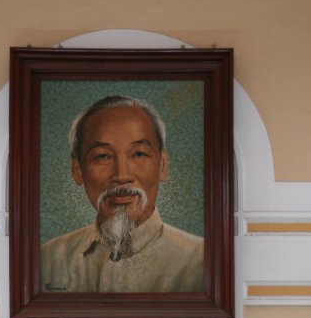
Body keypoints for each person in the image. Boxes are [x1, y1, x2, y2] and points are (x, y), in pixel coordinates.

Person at [40, 95, 204, 293]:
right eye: (103, 156)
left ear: (162, 165)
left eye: (138, 154)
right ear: (77, 169)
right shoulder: (48, 259)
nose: (122, 175)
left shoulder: (201, 260)